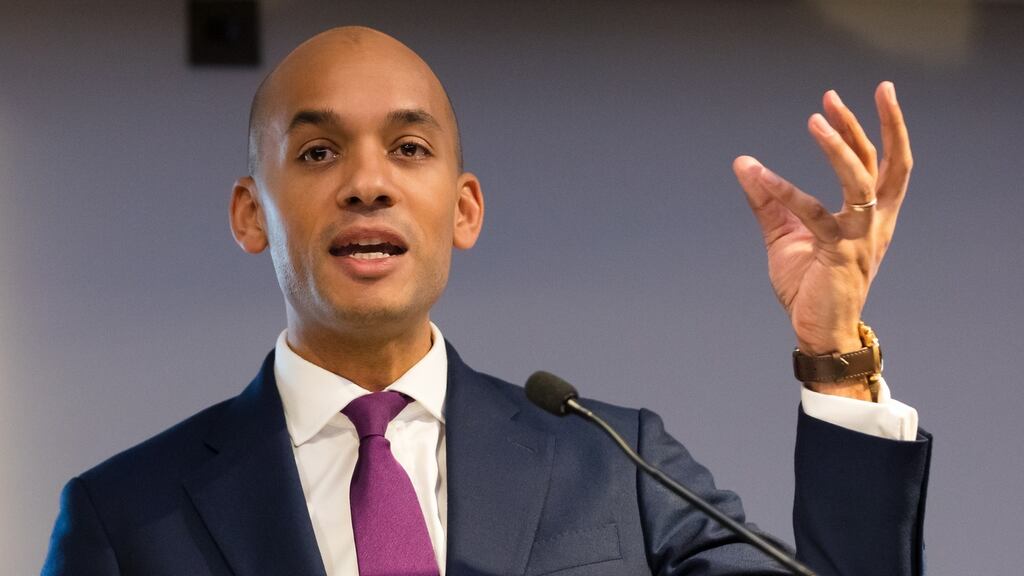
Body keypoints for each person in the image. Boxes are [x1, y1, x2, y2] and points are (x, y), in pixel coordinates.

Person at [41, 27, 931, 576]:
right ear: (250, 215)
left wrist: (834, 353)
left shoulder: (615, 468)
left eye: (409, 149)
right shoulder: (125, 518)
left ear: (463, 209)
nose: (366, 185)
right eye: (317, 154)